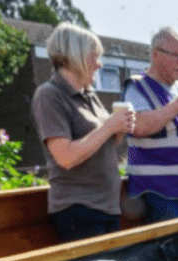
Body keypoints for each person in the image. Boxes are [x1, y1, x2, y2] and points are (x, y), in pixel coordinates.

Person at [30, 23, 135, 242]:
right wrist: (108, 126)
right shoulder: (49, 95)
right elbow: (65, 157)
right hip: (80, 209)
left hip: (107, 206)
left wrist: (119, 130)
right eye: (94, 56)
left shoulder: (89, 93)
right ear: (75, 57)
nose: (99, 64)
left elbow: (99, 145)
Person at [123, 26, 178, 222]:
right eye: (175, 55)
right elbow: (139, 126)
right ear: (155, 55)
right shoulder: (138, 86)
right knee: (171, 252)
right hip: (160, 194)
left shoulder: (177, 89)